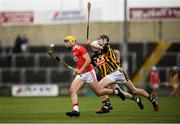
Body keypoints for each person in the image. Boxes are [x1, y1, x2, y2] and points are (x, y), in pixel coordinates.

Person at [87, 34, 159, 112]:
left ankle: (152, 100)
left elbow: (117, 52)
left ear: (105, 41)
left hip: (118, 72)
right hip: (110, 76)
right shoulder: (99, 53)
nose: (98, 40)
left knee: (134, 90)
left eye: (100, 39)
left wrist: (118, 62)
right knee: (99, 87)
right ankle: (107, 105)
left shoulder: (107, 47)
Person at [63, 35, 125, 117]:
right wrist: (77, 70)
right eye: (65, 42)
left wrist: (81, 70)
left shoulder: (80, 48)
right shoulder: (73, 51)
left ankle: (116, 92)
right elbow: (80, 62)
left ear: (73, 41)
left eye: (67, 42)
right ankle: (76, 110)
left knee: (98, 92)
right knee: (72, 90)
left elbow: (88, 60)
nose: (66, 44)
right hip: (82, 74)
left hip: (89, 73)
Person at [90, 39, 144, 114]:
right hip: (105, 77)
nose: (92, 48)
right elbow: (91, 67)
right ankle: (136, 99)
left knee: (106, 90)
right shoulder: (93, 57)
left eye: (94, 46)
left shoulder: (105, 51)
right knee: (104, 90)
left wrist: (118, 62)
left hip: (112, 75)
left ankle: (108, 105)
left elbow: (117, 52)